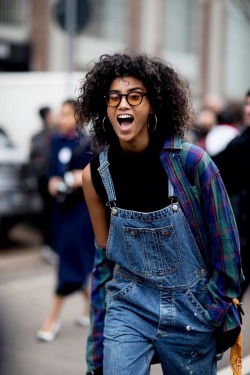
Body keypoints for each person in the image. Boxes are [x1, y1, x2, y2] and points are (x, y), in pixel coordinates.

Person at [77, 52, 243, 374]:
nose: (123, 105)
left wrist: (213, 308)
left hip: (191, 312)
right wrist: (96, 350)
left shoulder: (193, 164)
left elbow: (227, 248)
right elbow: (103, 264)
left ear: (152, 105)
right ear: (104, 107)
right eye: (114, 98)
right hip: (128, 306)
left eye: (134, 96)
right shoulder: (96, 175)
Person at [36, 99, 95, 342]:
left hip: (82, 211)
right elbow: (52, 171)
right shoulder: (57, 140)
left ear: (79, 117)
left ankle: (52, 318)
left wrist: (78, 178)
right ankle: (91, 307)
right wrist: (52, 181)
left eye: (68, 114)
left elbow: (95, 174)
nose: (62, 119)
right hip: (61, 209)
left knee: (69, 261)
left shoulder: (89, 143)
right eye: (61, 114)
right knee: (75, 258)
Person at [212, 89, 250, 301]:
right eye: (246, 104)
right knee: (229, 301)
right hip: (240, 237)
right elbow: (213, 165)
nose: (248, 110)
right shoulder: (240, 141)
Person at [29, 106, 58, 264]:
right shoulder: (54, 134)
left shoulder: (36, 137)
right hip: (50, 180)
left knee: (47, 212)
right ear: (47, 116)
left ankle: (48, 245)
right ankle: (50, 246)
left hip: (44, 180)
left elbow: (33, 160)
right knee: (51, 212)